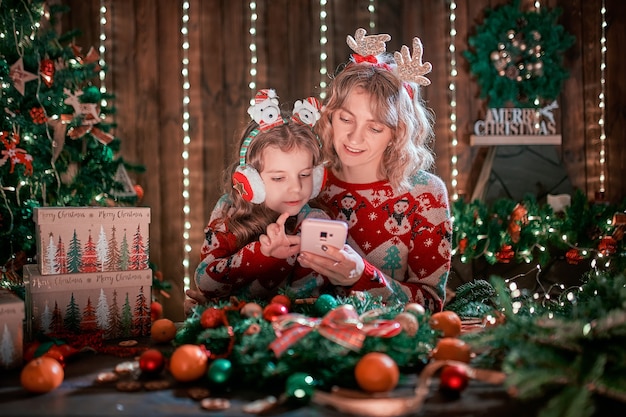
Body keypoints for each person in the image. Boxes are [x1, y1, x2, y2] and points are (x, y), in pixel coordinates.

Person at [296, 28, 452, 312]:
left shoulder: (426, 195)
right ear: (330, 115)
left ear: (397, 133)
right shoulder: (307, 181)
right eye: (346, 119)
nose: (355, 138)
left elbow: (431, 303)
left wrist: (362, 276)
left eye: (375, 128)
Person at [191, 89, 332, 302]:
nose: (295, 188)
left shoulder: (314, 223)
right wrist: (261, 254)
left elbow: (307, 298)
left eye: (304, 175)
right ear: (251, 181)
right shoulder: (227, 210)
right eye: (278, 178)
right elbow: (205, 282)